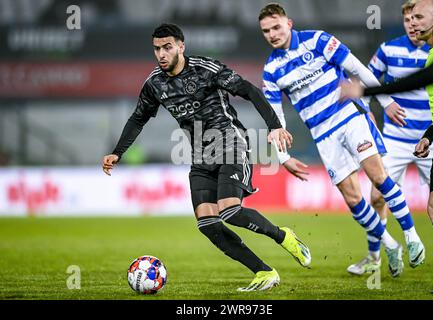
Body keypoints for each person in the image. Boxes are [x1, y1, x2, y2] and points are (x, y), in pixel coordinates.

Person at [102, 23, 312, 292]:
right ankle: (263, 271)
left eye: (167, 47)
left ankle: (283, 236)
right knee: (207, 224)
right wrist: (118, 152)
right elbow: (138, 117)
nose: (161, 54)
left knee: (230, 210)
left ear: (181, 46)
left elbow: (248, 90)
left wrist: (274, 126)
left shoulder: (206, 69)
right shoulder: (155, 83)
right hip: (201, 155)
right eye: (156, 49)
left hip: (231, 143)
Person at [258, 3, 426, 278]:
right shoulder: (271, 70)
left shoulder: (318, 40)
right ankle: (389, 244)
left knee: (378, 177)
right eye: (266, 31)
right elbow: (276, 121)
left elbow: (358, 69)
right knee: (353, 199)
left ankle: (412, 236)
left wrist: (385, 101)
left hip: (348, 115)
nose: (272, 34)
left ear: (288, 23)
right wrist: (283, 158)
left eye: (276, 27)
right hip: (322, 134)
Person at [341, 0, 433, 294]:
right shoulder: (390, 50)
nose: (412, 24)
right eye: (408, 19)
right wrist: (372, 114)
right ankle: (375, 257)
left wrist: (370, 91)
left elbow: (427, 80)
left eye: (418, 18)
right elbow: (366, 77)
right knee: (388, 197)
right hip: (404, 139)